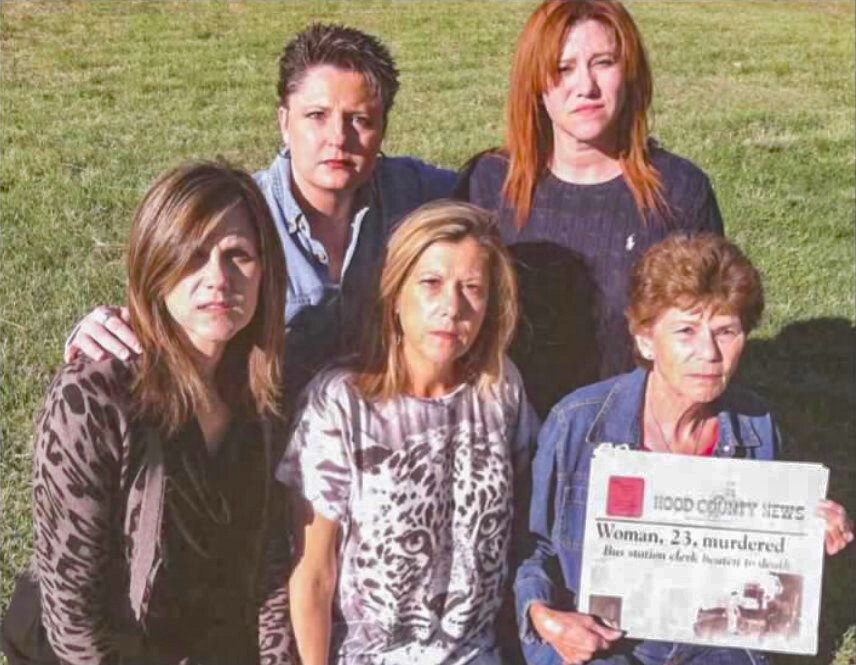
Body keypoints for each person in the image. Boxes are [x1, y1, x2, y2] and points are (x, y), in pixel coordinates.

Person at [63, 23, 456, 400]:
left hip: (382, 427)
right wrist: (102, 326)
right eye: (316, 116)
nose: (338, 138)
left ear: (383, 129)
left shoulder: (414, 192)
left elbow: (502, 190)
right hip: (262, 442)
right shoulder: (236, 213)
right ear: (284, 122)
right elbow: (171, 299)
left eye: (360, 120)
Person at [514, 233, 854, 665]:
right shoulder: (578, 422)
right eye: (686, 330)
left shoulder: (757, 424)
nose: (709, 353)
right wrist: (542, 615)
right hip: (601, 643)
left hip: (714, 645)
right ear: (645, 340)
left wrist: (811, 535)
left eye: (725, 331)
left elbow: (766, 568)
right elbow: (533, 546)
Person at [5, 163, 295, 665]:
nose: (217, 279)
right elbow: (74, 618)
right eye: (194, 256)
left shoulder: (264, 396)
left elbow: (270, 573)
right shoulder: (95, 398)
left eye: (238, 256)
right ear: (156, 265)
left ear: (265, 271)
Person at [278, 201, 538, 665]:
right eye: (431, 284)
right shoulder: (341, 403)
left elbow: (524, 532)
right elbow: (313, 572)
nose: (452, 308)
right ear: (395, 293)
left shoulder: (500, 388)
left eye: (472, 288)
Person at [456, 0, 724, 416]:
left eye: (603, 63)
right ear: (535, 85)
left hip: (637, 431)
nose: (585, 86)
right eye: (563, 68)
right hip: (508, 429)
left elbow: (706, 333)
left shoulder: (680, 191)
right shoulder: (487, 183)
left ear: (630, 74)